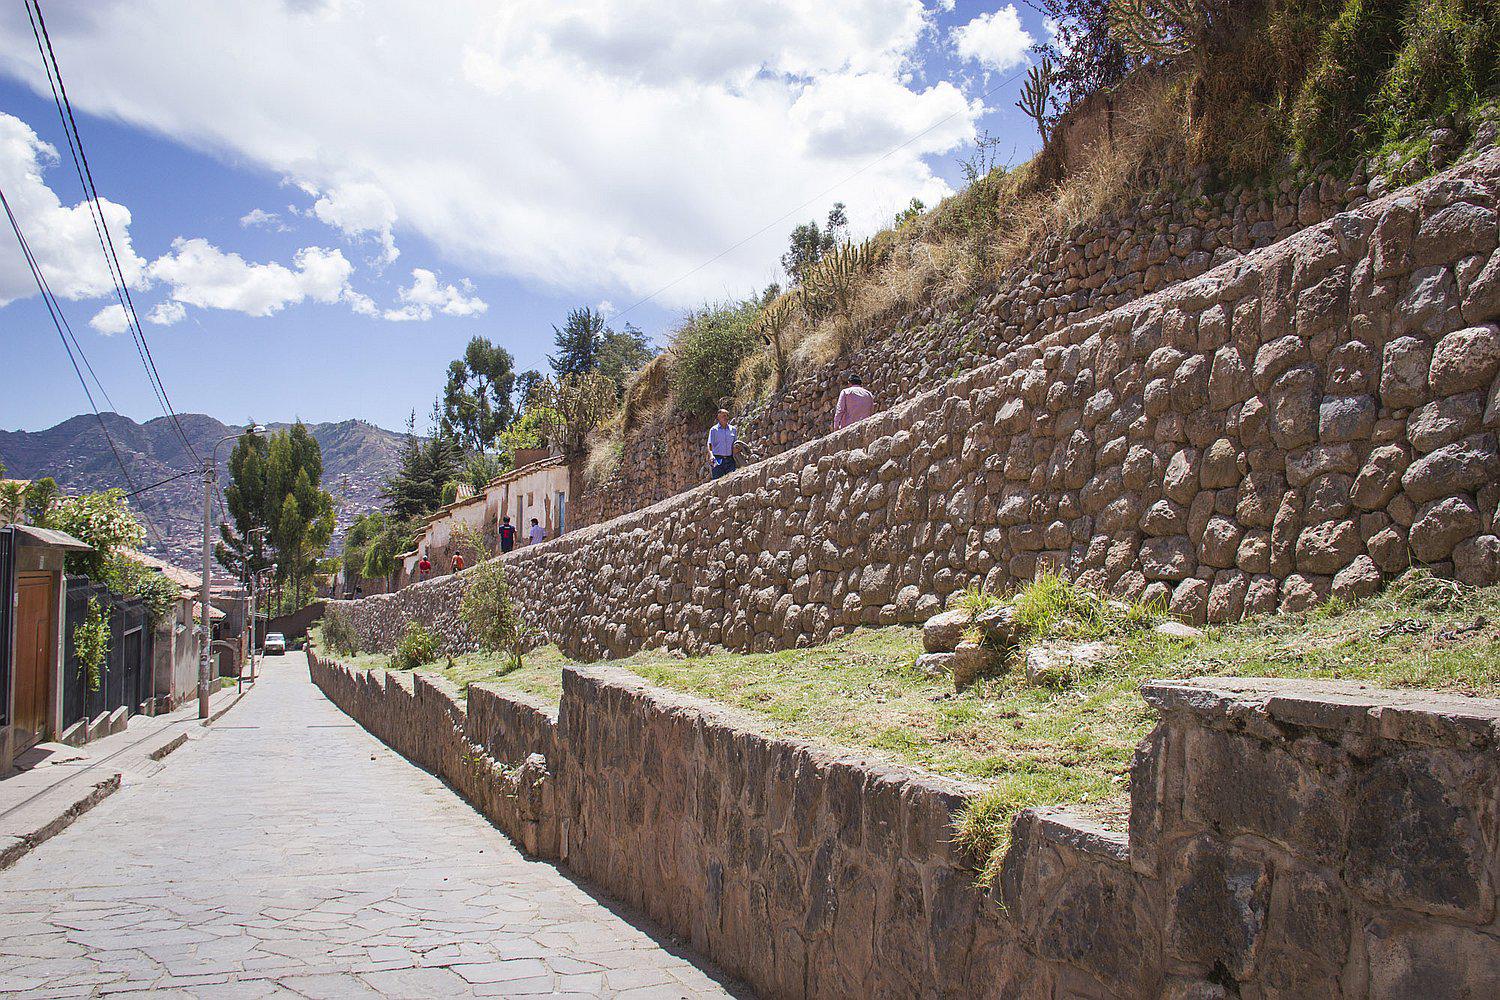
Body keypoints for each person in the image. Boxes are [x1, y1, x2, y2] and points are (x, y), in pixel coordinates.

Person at [707, 408, 740, 480]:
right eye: (723, 416)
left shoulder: (733, 429)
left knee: (732, 481)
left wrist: (736, 449)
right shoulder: (714, 430)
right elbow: (710, 444)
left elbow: (735, 443)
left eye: (726, 415)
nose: (725, 417)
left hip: (730, 460)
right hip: (717, 460)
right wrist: (711, 455)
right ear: (718, 418)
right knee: (717, 482)